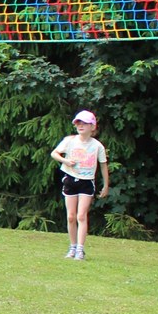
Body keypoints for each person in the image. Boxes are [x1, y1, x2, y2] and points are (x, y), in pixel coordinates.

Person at [50, 109, 110, 260]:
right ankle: (72, 247)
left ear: (92, 127)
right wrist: (65, 161)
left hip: (86, 182)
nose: (80, 126)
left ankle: (80, 250)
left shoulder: (97, 146)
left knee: (81, 216)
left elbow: (103, 165)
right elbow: (54, 153)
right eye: (78, 123)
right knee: (71, 216)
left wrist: (106, 185)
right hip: (70, 180)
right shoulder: (70, 140)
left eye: (84, 123)